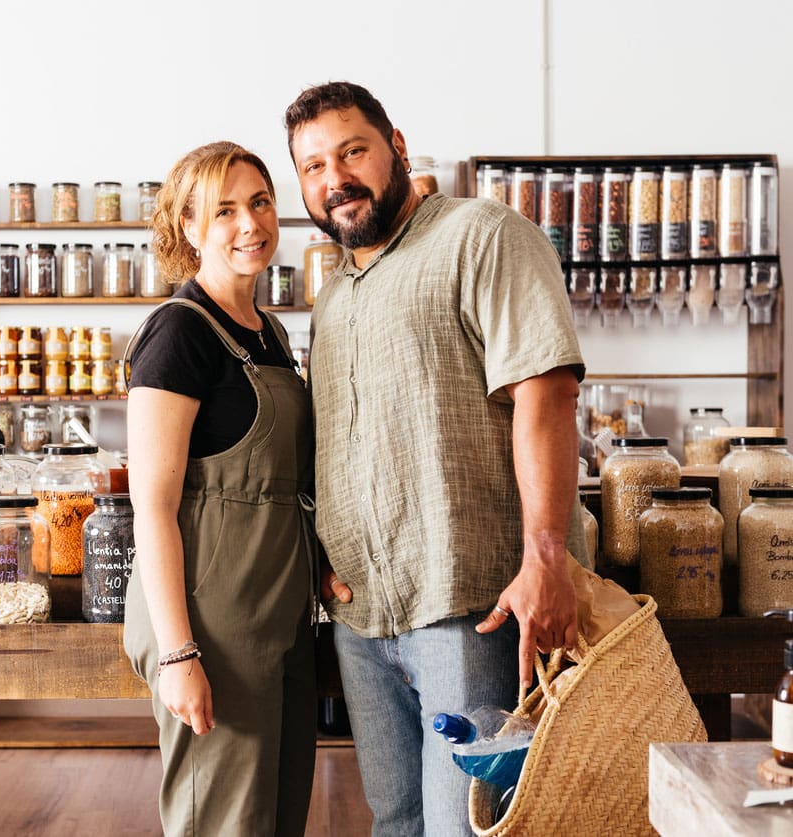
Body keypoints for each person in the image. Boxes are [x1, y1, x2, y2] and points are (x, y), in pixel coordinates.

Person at [284, 82, 590, 835]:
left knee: (469, 827)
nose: (336, 178)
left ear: (395, 142)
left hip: (470, 612)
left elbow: (545, 394)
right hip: (361, 621)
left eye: (352, 150)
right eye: (313, 165)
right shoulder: (334, 294)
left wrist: (546, 555)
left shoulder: (483, 235)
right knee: (397, 822)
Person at [122, 141, 316, 836]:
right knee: (222, 823)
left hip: (277, 616)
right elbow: (153, 505)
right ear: (189, 228)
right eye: (224, 210)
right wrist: (178, 654)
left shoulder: (269, 333)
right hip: (212, 623)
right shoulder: (179, 333)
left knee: (277, 816)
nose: (250, 223)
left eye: (261, 202)